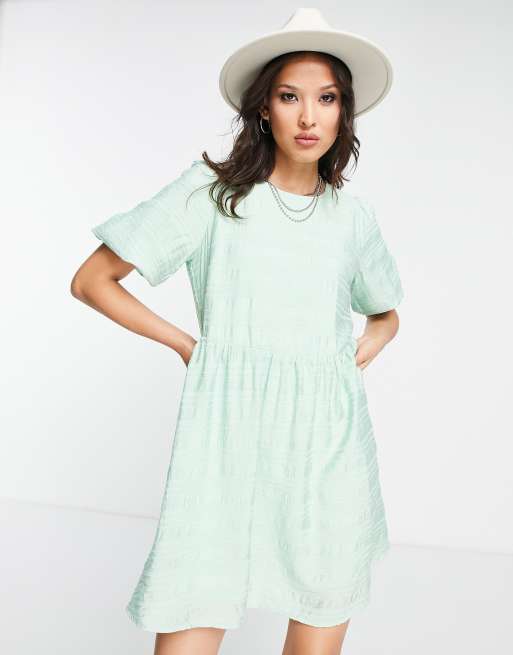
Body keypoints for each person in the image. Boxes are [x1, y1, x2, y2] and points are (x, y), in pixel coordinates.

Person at [71, 8, 404, 655]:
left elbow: (385, 310)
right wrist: (187, 345)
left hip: (327, 446)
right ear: (262, 109)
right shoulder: (211, 194)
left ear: (343, 113)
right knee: (192, 609)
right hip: (223, 440)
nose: (308, 117)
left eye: (326, 98)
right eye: (289, 96)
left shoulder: (351, 218)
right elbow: (92, 280)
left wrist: (374, 338)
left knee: (319, 622)